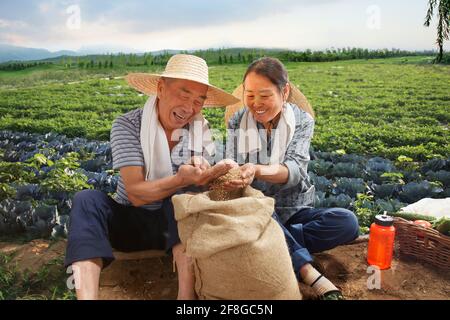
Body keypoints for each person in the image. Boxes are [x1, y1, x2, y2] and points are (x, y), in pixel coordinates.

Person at [64, 54, 239, 300]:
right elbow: (135, 193)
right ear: (160, 89)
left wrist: (212, 172)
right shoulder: (127, 125)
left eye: (199, 100)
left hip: (176, 228)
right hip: (131, 226)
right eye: (184, 94)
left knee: (183, 196)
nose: (190, 107)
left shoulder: (201, 128)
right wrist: (181, 178)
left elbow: (202, 184)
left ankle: (186, 297)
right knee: (86, 199)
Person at [224, 57, 359, 300]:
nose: (256, 104)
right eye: (250, 95)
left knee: (347, 222)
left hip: (294, 208)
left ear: (284, 91)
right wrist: (231, 171)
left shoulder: (302, 121)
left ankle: (273, 242)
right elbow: (233, 165)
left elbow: (295, 170)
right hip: (256, 208)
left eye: (265, 96)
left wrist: (255, 169)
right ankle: (308, 271)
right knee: (260, 207)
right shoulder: (237, 121)